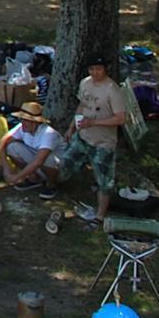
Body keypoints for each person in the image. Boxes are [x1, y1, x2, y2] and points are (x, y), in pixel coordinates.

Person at [47, 55, 124, 224]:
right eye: (92, 69)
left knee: (104, 181)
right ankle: (54, 186)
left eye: (99, 69)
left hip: (103, 143)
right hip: (82, 137)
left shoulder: (112, 89)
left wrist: (94, 122)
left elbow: (120, 118)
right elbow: (82, 105)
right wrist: (71, 127)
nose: (95, 72)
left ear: (105, 69)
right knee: (65, 163)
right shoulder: (85, 83)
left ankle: (100, 215)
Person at [1, 101, 61, 191]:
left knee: (47, 158)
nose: (22, 123)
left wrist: (17, 177)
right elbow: (2, 142)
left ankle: (51, 184)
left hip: (59, 169)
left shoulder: (48, 133)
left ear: (35, 122)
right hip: (39, 164)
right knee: (12, 147)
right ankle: (34, 178)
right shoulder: (21, 127)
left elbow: (39, 161)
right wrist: (6, 167)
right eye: (22, 119)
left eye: (26, 120)